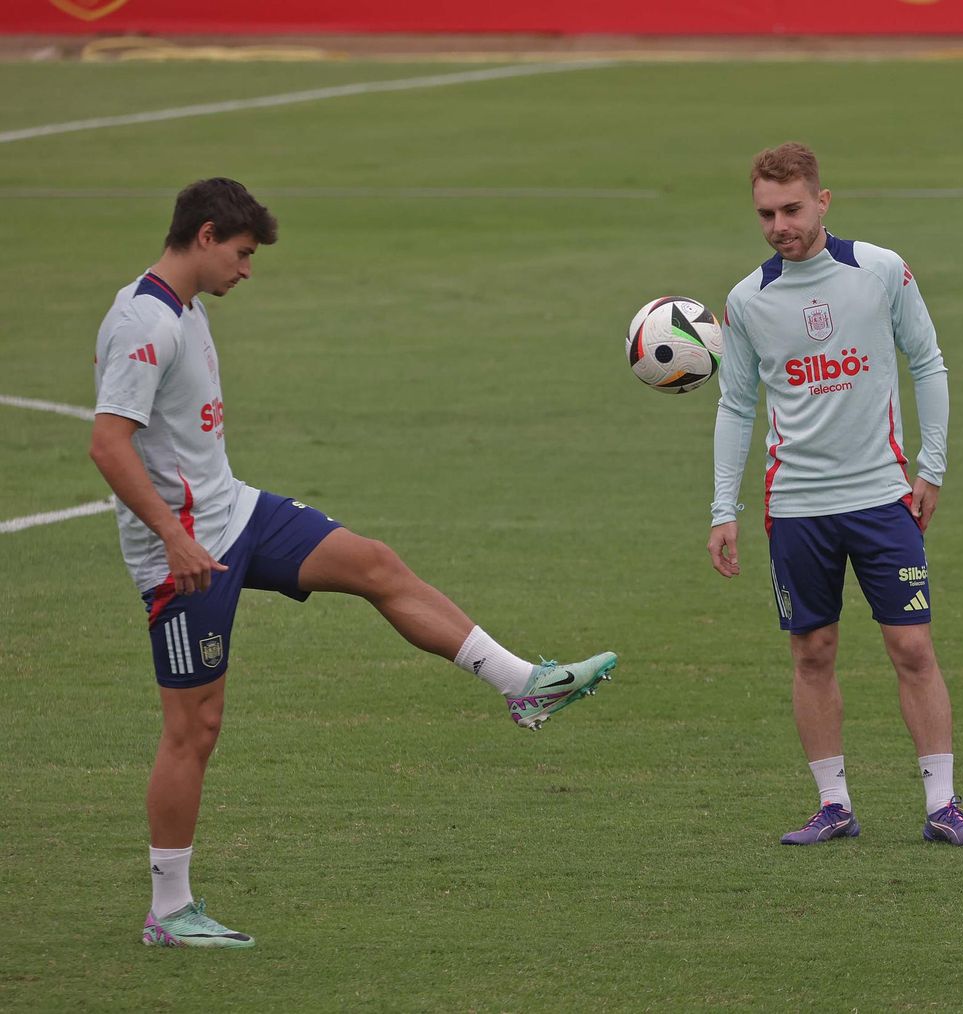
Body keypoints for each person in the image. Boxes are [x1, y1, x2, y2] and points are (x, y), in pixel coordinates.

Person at [90, 178, 617, 949]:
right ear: (205, 236)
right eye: (242, 254)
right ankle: (168, 911)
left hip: (234, 513)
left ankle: (523, 685)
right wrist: (173, 537)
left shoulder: (186, 308)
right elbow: (108, 445)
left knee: (373, 564)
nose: (247, 270)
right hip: (186, 555)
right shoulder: (144, 323)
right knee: (193, 729)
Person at [707, 143, 963, 847]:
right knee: (813, 651)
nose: (780, 226)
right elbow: (736, 405)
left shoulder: (881, 271)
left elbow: (927, 361)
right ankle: (832, 805)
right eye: (766, 214)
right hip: (796, 505)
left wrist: (932, 468)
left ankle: (943, 805)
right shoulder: (746, 301)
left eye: (792, 209)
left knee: (912, 647)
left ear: (823, 201)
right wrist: (722, 508)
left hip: (881, 497)